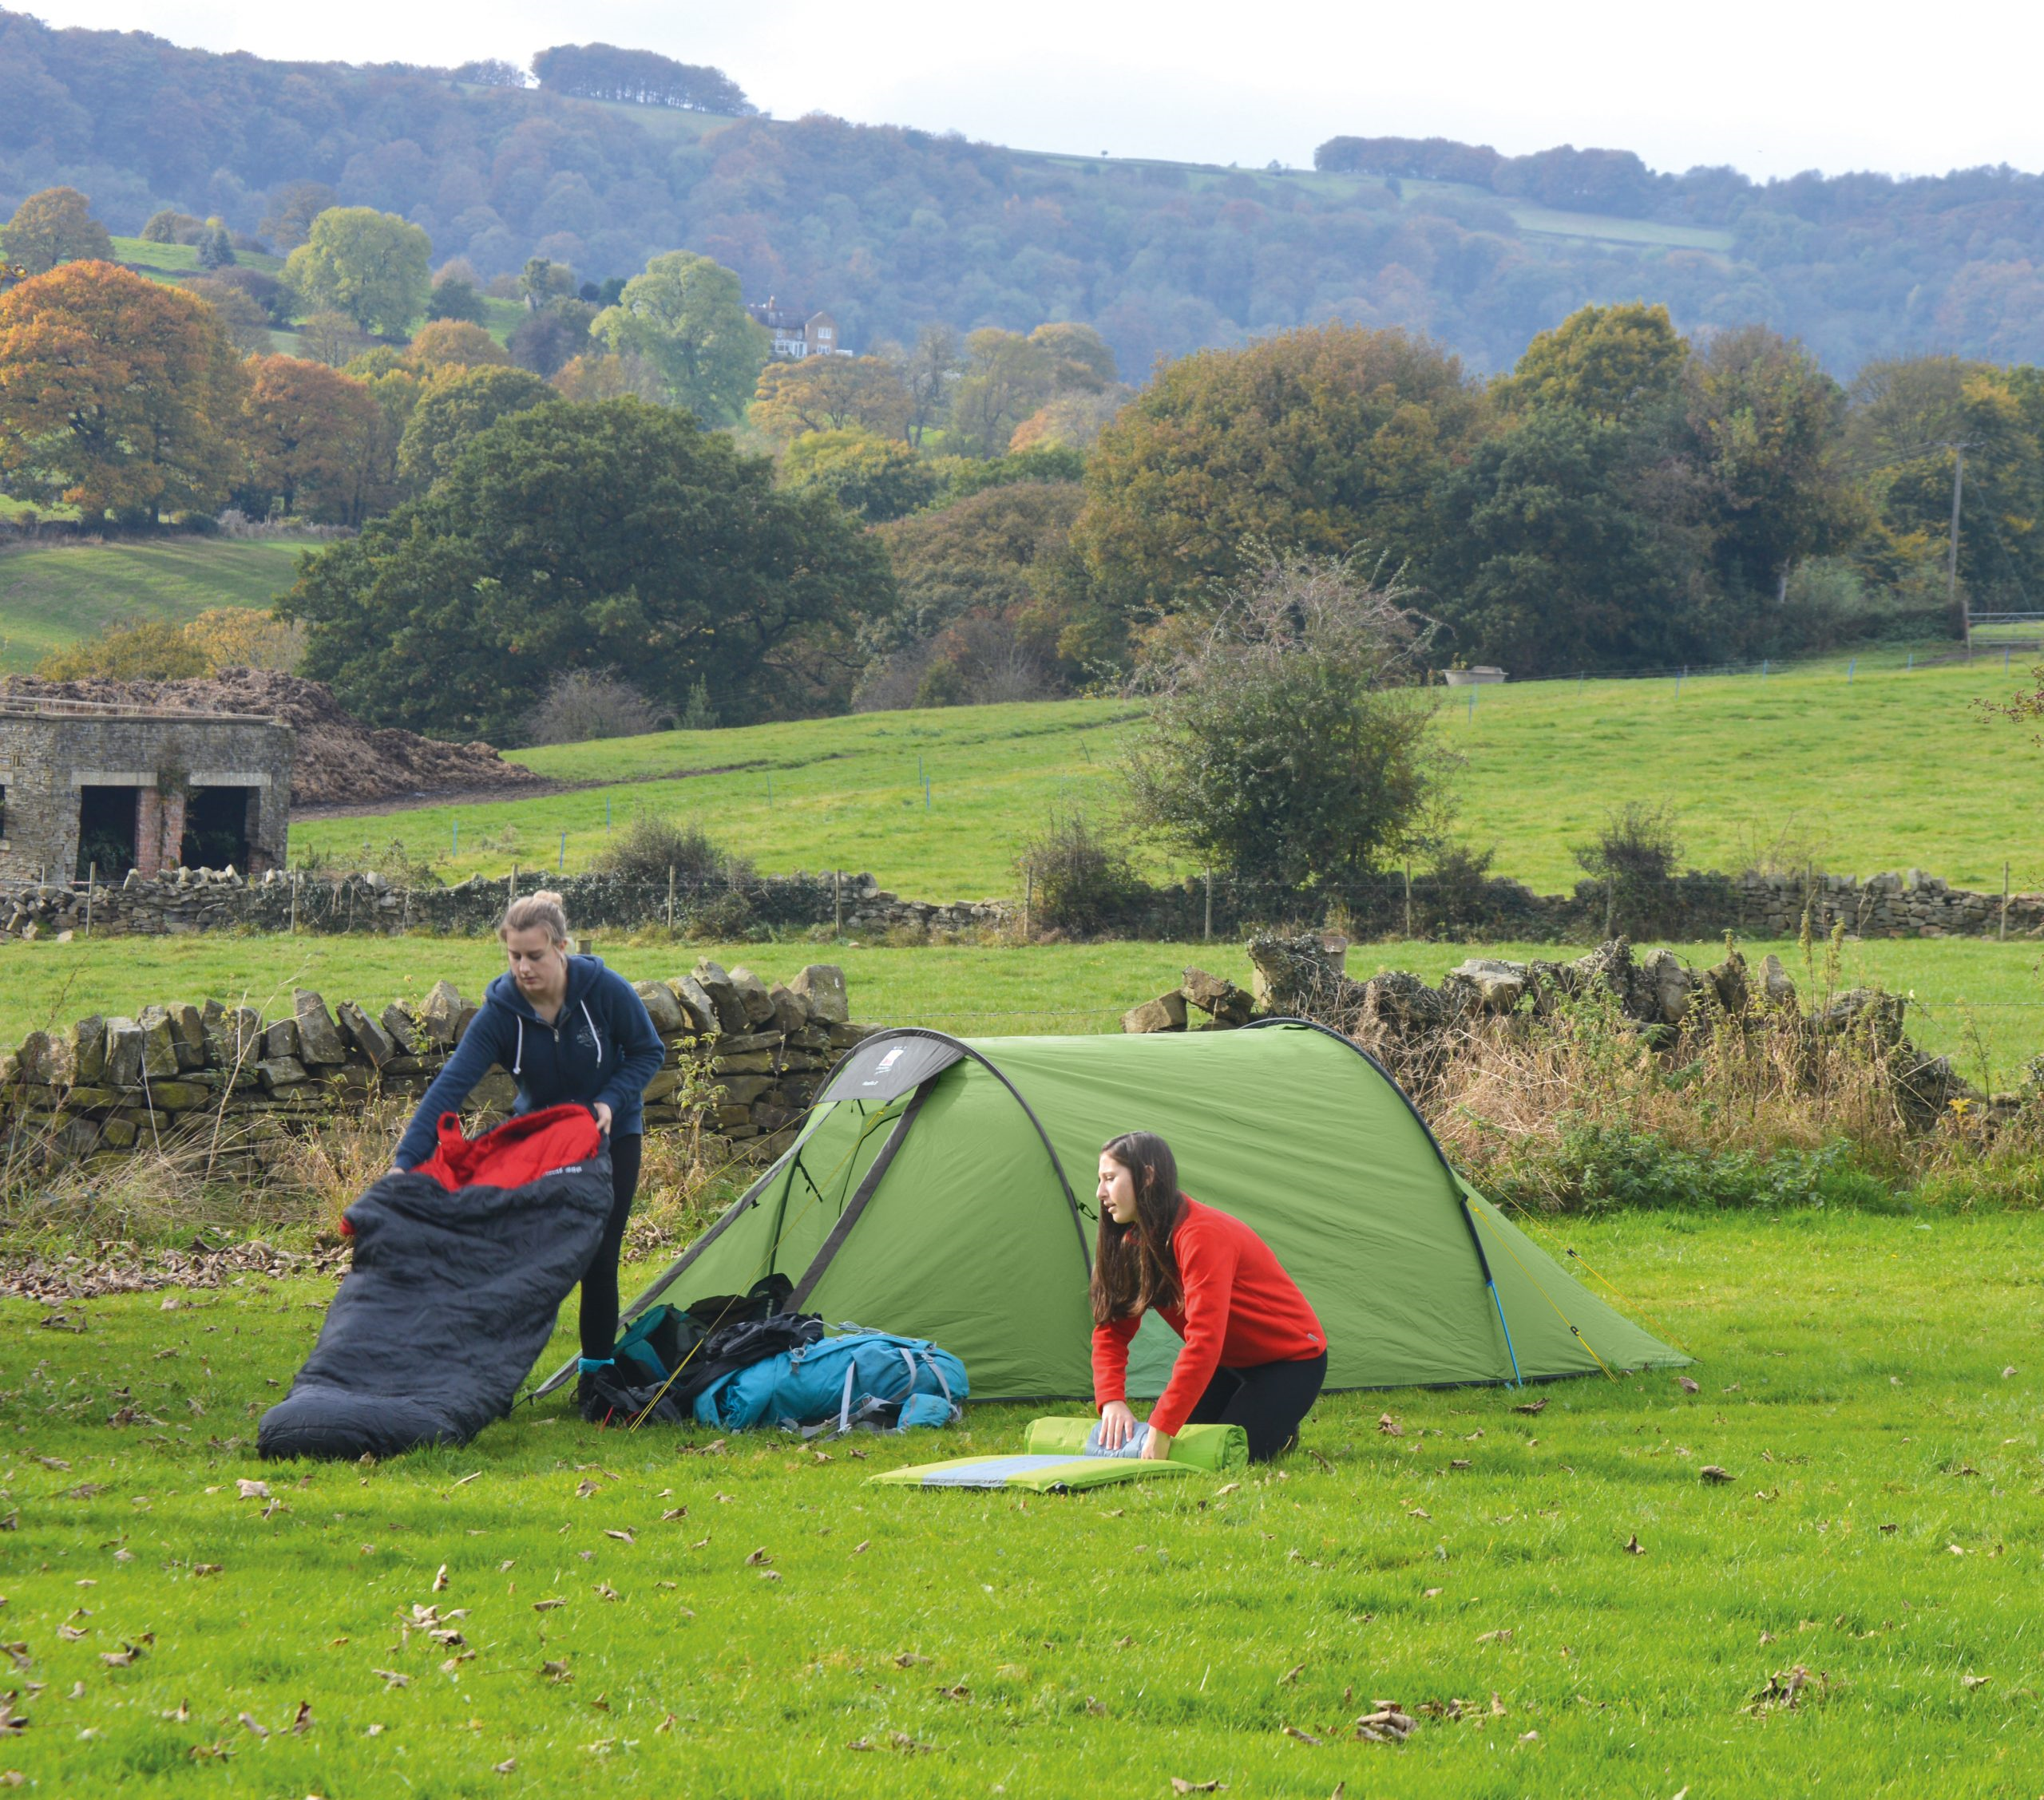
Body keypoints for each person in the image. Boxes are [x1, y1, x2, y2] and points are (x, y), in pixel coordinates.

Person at [392, 890, 665, 1409]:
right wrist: (405, 1163)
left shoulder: (605, 990)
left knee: (600, 1257)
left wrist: (610, 1100)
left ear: (561, 947)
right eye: (514, 955)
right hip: (540, 1140)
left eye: (534, 955)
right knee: (522, 1257)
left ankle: (597, 1380)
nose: (523, 967)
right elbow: (450, 1088)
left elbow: (648, 1050)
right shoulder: (501, 1013)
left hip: (613, 1134)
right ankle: (488, 1380)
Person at [1091, 1130, 1327, 1464]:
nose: (1100, 1192)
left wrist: (1160, 1429)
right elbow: (1112, 1328)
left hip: (1290, 1360)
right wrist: (1111, 1399)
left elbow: (1203, 1340)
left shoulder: (1201, 1235)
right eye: (1100, 1180)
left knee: (1226, 1455)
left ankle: (1284, 1430)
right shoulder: (1133, 1243)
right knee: (1185, 1445)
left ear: (1147, 1176)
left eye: (1110, 1179)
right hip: (1226, 1363)